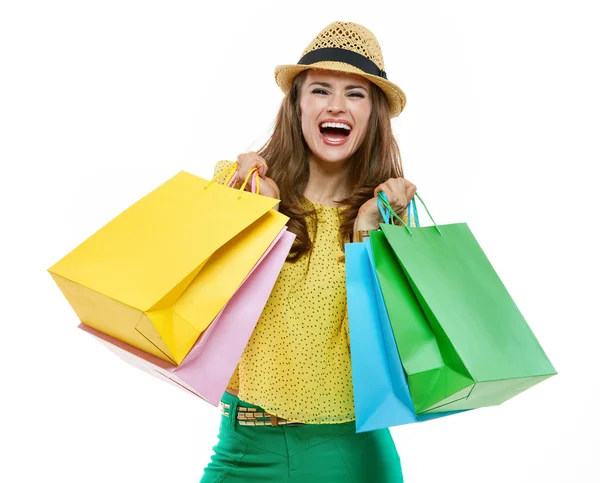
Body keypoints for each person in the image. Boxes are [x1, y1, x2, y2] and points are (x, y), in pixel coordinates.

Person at [201, 21, 416, 483]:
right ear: (297, 104)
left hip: (351, 456)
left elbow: (387, 354)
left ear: (374, 114)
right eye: (320, 90)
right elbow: (200, 302)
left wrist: (368, 234)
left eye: (355, 94)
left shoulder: (386, 216)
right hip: (244, 449)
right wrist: (247, 207)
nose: (336, 105)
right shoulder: (245, 189)